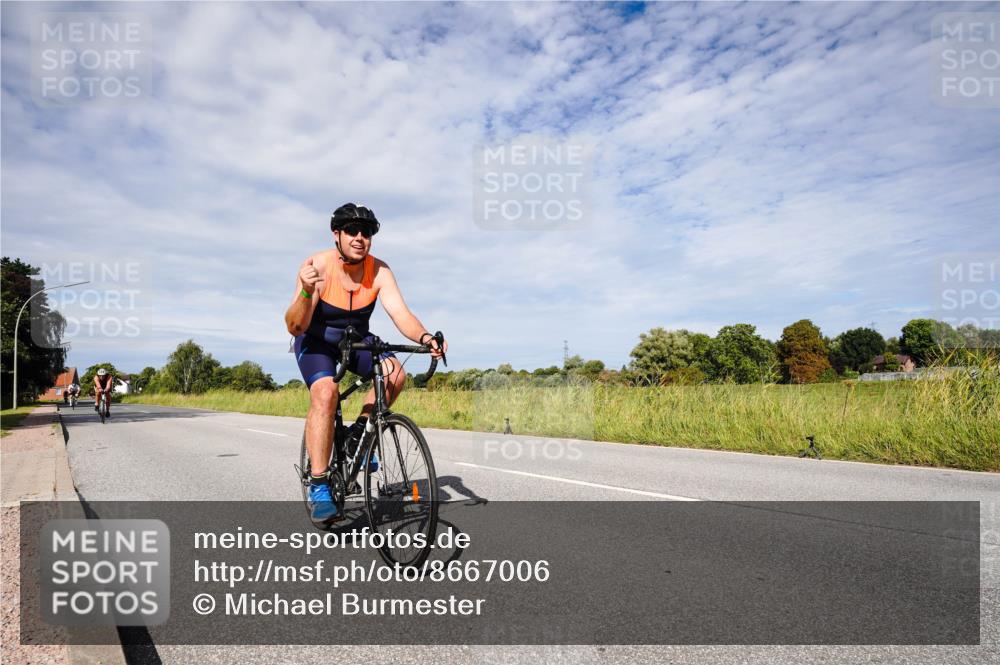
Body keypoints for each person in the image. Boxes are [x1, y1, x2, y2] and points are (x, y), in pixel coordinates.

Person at [284, 203, 446, 524]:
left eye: (367, 232)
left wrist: (426, 337)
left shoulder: (380, 271)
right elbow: (294, 326)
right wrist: (305, 291)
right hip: (315, 342)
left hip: (356, 339)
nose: (360, 237)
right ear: (337, 234)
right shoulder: (318, 266)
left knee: (396, 374)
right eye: (352, 231)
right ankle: (319, 485)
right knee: (326, 394)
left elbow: (401, 314)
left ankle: (359, 435)